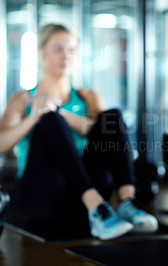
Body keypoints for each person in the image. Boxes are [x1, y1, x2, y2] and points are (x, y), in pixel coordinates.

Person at [0, 24, 158, 240]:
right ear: (41, 52)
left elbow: (109, 138)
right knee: (49, 119)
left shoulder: (88, 98)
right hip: (43, 193)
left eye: (72, 49)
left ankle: (126, 202)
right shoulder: (22, 99)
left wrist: (62, 114)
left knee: (111, 118)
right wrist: (34, 116)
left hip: (81, 193)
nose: (66, 56)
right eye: (58, 49)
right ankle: (95, 205)